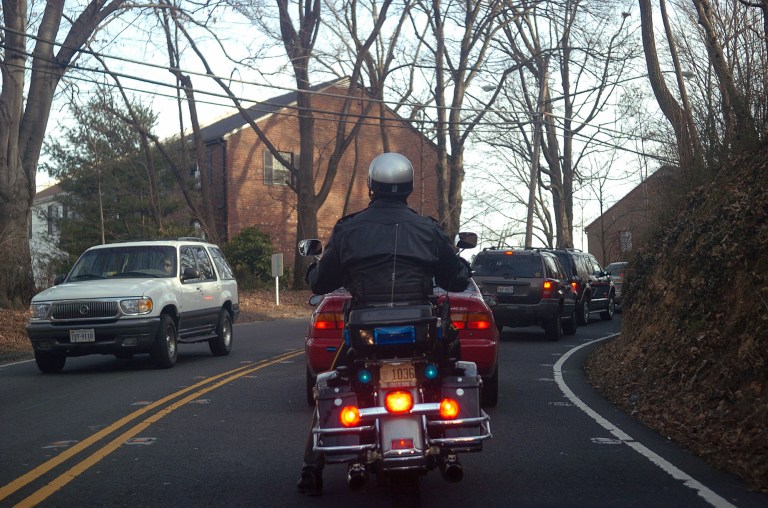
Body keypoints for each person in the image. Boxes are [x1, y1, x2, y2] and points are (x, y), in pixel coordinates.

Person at [296, 152, 472, 495]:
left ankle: (310, 469)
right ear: (408, 186)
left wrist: (316, 267)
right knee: (449, 362)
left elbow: (319, 282)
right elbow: (456, 280)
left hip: (364, 336)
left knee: (329, 385)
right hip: (421, 334)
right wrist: (462, 267)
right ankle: (449, 443)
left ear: (371, 186)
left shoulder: (349, 229)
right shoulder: (428, 228)